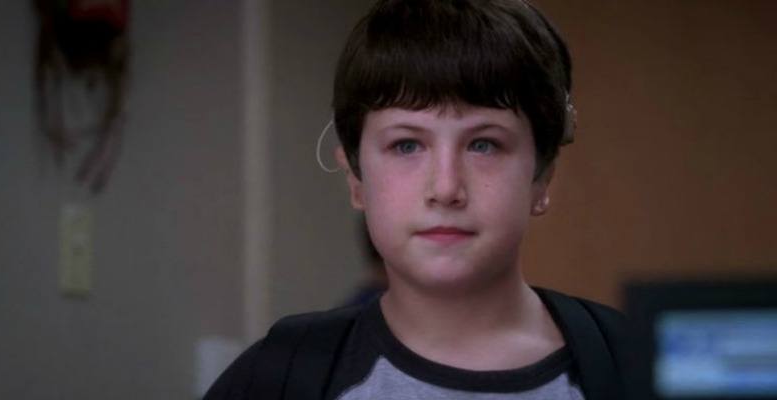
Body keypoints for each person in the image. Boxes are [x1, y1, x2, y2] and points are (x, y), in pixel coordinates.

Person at [205, 1, 629, 399]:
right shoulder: (273, 378)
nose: (445, 188)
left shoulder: (636, 366)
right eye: (406, 145)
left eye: (483, 144)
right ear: (355, 179)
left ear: (542, 179)